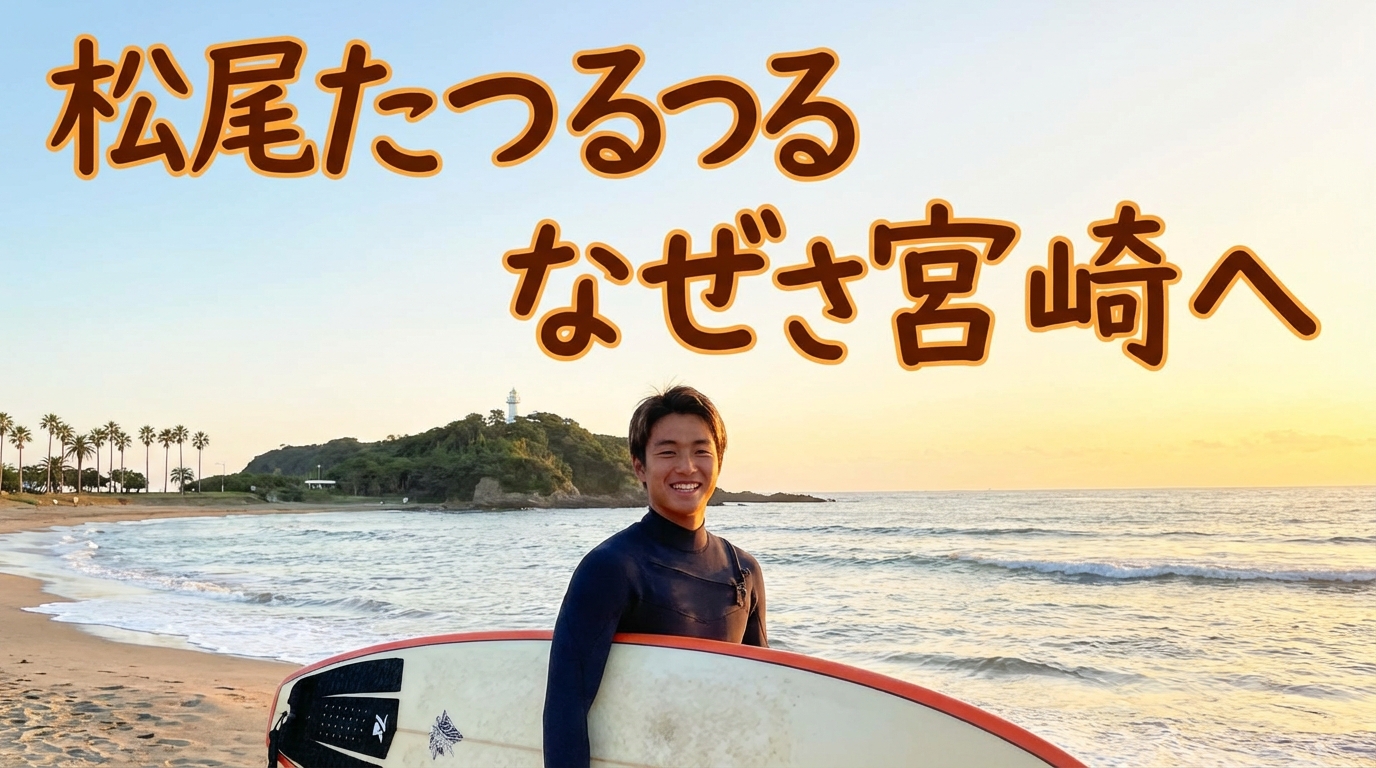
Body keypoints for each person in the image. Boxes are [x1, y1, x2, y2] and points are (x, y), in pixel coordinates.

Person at [542, 385, 767, 768]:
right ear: (639, 467)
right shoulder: (611, 568)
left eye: (701, 451)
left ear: (718, 461)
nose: (687, 467)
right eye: (668, 452)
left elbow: (761, 698)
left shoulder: (744, 570)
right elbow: (566, 707)